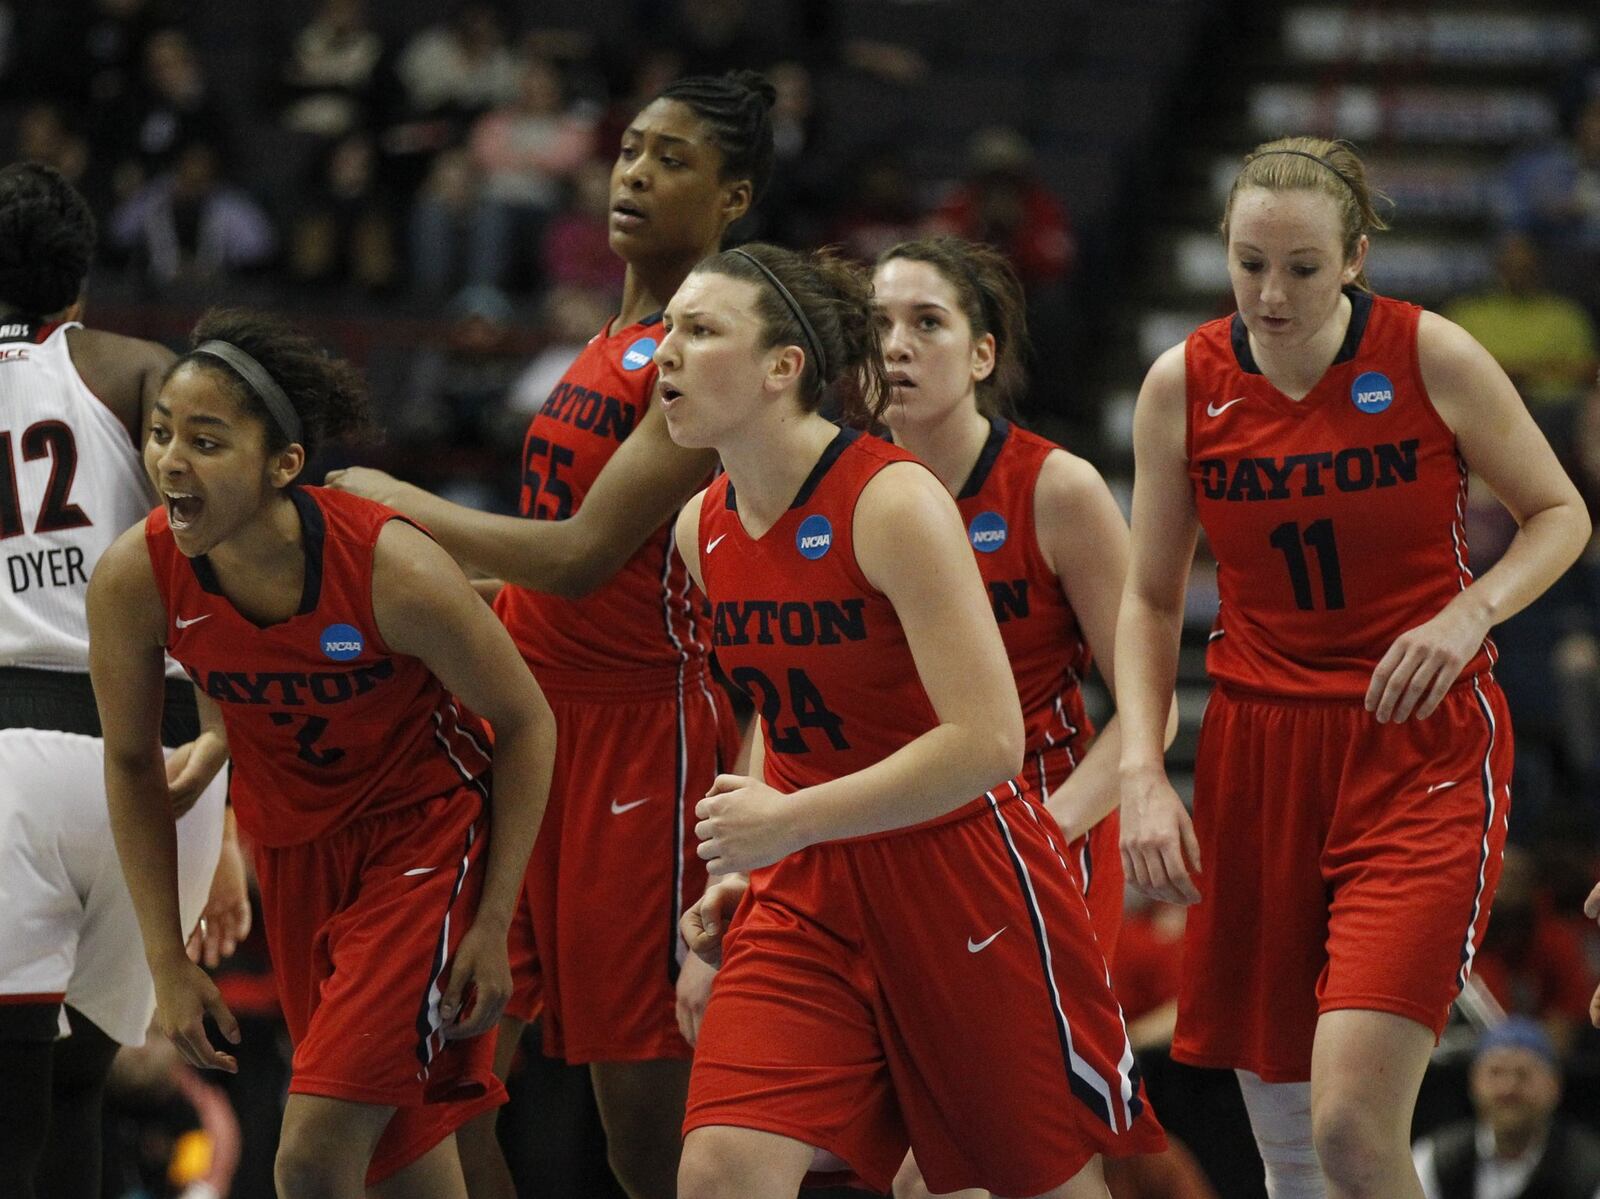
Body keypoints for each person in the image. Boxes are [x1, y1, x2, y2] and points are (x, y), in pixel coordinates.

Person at [1115, 135, 1591, 1199]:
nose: (1270, 294)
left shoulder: (1430, 355)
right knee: (1286, 1141)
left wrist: (1471, 610)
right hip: (1258, 753)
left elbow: (1560, 513)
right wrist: (1144, 769)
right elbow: (1148, 597)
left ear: (1356, 259)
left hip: (1416, 746)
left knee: (1348, 1125)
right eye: (1248, 264)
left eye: (1300, 267)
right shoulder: (1180, 384)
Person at [326, 69, 773, 1199]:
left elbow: (579, 555)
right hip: (529, 729)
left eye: (673, 159)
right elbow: (535, 561)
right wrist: (429, 593)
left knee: (642, 1130)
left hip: (641, 737)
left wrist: (397, 503)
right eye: (630, 148)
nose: (634, 172)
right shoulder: (605, 331)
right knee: (455, 1072)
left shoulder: (699, 350)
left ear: (733, 200)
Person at [662, 241, 1166, 1199]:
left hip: (959, 867)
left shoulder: (895, 501)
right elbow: (782, 719)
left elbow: (990, 741)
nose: (665, 354)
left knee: (1005, 1184)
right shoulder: (703, 526)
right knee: (723, 1170)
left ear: (783, 367)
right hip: (811, 883)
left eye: (698, 330)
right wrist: (745, 864)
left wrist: (794, 821)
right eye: (666, 330)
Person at [86, 308, 556, 1199]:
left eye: (207, 440)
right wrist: (165, 962)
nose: (170, 459)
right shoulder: (135, 577)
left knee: (310, 1155)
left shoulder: (389, 567)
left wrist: (493, 921)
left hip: (423, 838)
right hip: (295, 852)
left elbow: (527, 723)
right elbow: (133, 762)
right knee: (402, 1165)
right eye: (158, 433)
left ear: (283, 466)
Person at [871, 236, 1177, 1199]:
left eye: (927, 323)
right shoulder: (838, 490)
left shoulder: (1056, 488)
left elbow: (1150, 702)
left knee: (1010, 1146)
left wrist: (1053, 828)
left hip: (1039, 829)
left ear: (982, 354)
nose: (897, 345)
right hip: (891, 833)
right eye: (877, 324)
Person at [0, 160, 239, 1199]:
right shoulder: (142, 370)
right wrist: (231, 823)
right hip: (172, 765)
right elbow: (230, 573)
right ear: (80, 281)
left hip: (12, 747)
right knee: (78, 1087)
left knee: (10, 1101)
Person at [1411, 1017, 1600, 1199]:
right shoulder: (1434, 1160)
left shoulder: (1588, 1170)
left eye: (1523, 1074)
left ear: (1554, 1086)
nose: (1508, 1088)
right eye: (1496, 1072)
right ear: (1473, 1082)